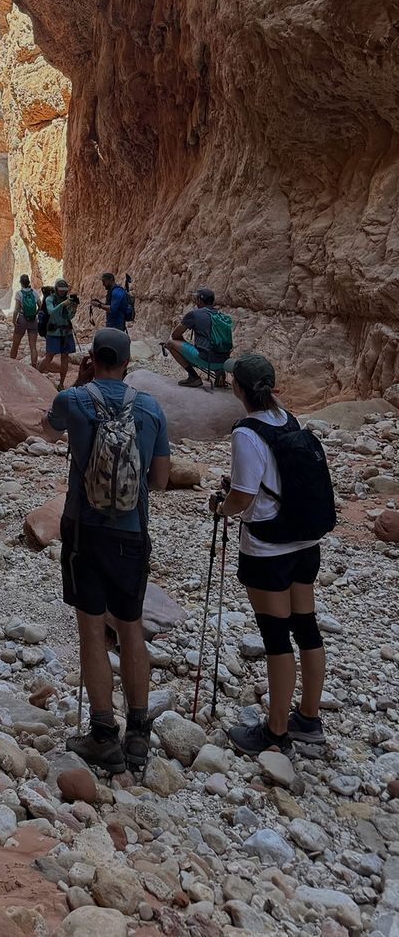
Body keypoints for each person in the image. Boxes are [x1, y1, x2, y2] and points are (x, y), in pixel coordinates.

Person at [40, 328, 170, 773]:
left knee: (92, 631)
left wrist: (79, 381)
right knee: (131, 628)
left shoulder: (73, 401)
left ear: (93, 358)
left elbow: (47, 433)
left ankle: (102, 734)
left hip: (84, 531)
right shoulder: (151, 407)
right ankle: (137, 734)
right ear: (129, 362)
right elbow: (160, 480)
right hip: (132, 533)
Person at [212, 354, 328, 757]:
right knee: (307, 629)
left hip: (267, 549)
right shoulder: (288, 420)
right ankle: (308, 719)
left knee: (276, 638)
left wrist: (221, 507)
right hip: (304, 544)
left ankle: (275, 732)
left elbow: (243, 496)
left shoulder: (246, 432)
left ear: (238, 389)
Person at [163, 286, 230, 388]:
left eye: (196, 299)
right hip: (224, 361)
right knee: (213, 348)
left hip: (206, 360)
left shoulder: (194, 314)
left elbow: (175, 335)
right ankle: (220, 373)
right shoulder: (220, 315)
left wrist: (184, 343)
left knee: (170, 343)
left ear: (200, 300)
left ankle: (193, 377)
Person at [38, 278, 79, 390]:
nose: (62, 292)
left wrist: (74, 308)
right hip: (53, 332)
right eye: (60, 290)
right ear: (56, 289)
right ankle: (36, 376)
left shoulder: (66, 300)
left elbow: (69, 317)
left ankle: (61, 383)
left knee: (65, 356)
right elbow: (51, 312)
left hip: (66, 332)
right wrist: (64, 304)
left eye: (64, 290)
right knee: (49, 356)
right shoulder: (50, 299)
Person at [9, 273, 41, 368]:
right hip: (33, 320)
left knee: (16, 344)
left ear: (21, 283)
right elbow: (40, 305)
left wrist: (14, 321)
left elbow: (16, 309)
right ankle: (34, 367)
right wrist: (35, 313)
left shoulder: (19, 293)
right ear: (28, 282)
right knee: (33, 346)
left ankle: (10, 365)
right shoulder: (35, 292)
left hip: (22, 319)